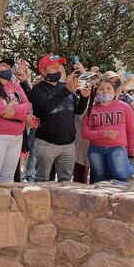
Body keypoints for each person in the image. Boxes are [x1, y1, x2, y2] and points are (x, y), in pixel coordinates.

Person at [29, 54, 90, 182]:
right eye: (53, 67)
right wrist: (67, 90)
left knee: (66, 182)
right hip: (46, 144)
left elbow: (77, 110)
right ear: (43, 71)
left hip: (68, 144)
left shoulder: (64, 87)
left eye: (58, 66)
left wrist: (84, 97)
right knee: (42, 181)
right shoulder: (38, 89)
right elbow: (47, 107)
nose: (57, 69)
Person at [0, 59, 33, 182]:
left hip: (17, 136)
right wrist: (21, 113)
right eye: (3, 65)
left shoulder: (15, 86)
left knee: (8, 177)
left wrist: (13, 110)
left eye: (9, 65)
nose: (8, 67)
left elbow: (27, 104)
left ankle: (4, 201)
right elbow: (1, 110)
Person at [82, 79, 134, 184]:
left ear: (114, 90)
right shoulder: (90, 110)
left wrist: (132, 151)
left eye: (109, 88)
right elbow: (85, 133)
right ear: (96, 92)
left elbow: (131, 130)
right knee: (100, 180)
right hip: (96, 149)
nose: (105, 91)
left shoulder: (124, 107)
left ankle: (132, 163)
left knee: (122, 175)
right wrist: (103, 133)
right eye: (101, 89)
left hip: (117, 147)